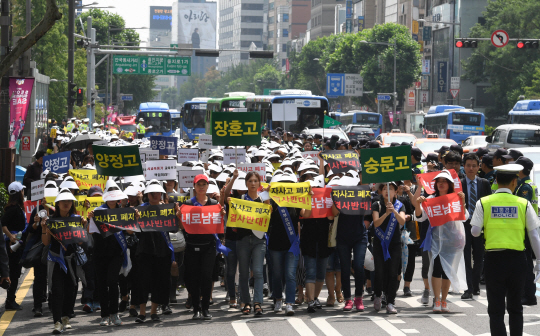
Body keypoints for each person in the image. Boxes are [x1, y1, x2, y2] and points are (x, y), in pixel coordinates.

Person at [470, 163, 540, 336]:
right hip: (517, 260)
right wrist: (539, 261)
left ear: (495, 181)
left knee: (496, 308)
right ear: (514, 182)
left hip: (494, 261)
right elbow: (534, 235)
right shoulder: (523, 203)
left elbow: (475, 232)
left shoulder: (484, 202)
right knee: (515, 306)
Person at [414, 170, 467, 313]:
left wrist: (462, 202)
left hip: (453, 240)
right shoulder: (430, 198)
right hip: (437, 240)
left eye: (444, 181)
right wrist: (419, 205)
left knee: (448, 271)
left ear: (450, 184)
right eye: (439, 181)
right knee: (436, 269)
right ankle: (436, 300)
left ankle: (444, 301)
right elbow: (420, 217)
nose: (441, 183)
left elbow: (464, 216)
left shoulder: (456, 197)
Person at [41, 188, 87, 334]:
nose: (66, 203)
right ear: (58, 203)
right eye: (63, 201)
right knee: (57, 290)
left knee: (71, 289)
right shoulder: (50, 220)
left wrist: (83, 226)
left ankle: (66, 317)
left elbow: (80, 242)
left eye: (69, 201)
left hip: (71, 260)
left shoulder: (76, 219)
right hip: (55, 260)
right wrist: (43, 228)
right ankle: (57, 322)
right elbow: (46, 242)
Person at [179, 174, 225, 320]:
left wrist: (222, 215)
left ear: (207, 186)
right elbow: (182, 227)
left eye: (204, 184)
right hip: (192, 245)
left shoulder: (213, 203)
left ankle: (205, 308)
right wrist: (179, 216)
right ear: (194, 186)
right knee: (194, 278)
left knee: (206, 277)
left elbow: (218, 225)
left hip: (208, 246)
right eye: (199, 184)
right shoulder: (188, 203)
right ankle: (196, 309)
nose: (201, 187)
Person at [222, 170, 268, 316]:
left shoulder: (263, 199)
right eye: (250, 181)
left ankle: (258, 303)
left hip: (259, 240)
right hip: (242, 240)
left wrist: (268, 194)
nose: (253, 183)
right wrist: (234, 178)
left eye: (255, 181)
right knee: (243, 273)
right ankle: (246, 302)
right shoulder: (240, 198)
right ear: (246, 183)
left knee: (258, 272)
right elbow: (225, 196)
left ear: (259, 183)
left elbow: (269, 213)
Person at [87, 180, 128, 326]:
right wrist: (89, 218)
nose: (112, 198)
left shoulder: (123, 211)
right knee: (102, 284)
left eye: (114, 195)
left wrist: (134, 218)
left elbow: (129, 231)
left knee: (113, 281)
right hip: (99, 253)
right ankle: (104, 316)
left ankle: (114, 314)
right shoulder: (97, 211)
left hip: (116, 253)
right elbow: (90, 231)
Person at [135, 180, 174, 323]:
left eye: (158, 192)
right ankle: (142, 313)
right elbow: (134, 231)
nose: (155, 195)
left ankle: (153, 312)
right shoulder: (140, 209)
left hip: (162, 250)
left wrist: (177, 215)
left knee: (160, 281)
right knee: (143, 281)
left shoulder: (167, 209)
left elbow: (175, 228)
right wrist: (137, 220)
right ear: (147, 195)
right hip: (145, 249)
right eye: (152, 193)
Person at [372, 182, 406, 313]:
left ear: (395, 191)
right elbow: (376, 223)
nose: (387, 191)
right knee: (379, 271)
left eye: (390, 189)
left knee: (393, 273)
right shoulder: (377, 204)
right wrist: (386, 213)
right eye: (384, 189)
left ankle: (391, 301)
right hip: (380, 243)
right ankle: (378, 294)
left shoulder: (400, 205)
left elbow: (402, 221)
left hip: (394, 243)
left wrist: (394, 212)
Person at [460, 153, 492, 300]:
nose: (471, 168)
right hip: (464, 224)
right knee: (466, 257)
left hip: (480, 224)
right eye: (468, 165)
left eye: (474, 165)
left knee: (479, 257)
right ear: (464, 167)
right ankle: (469, 288)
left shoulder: (484, 183)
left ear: (479, 167)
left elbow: (489, 204)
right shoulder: (458, 184)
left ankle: (476, 285)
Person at [514, 157, 539, 306]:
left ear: (521, 169)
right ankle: (528, 294)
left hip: (526, 229)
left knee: (526, 264)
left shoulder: (525, 187)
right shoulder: (528, 184)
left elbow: (523, 209)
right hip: (530, 228)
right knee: (526, 263)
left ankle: (529, 295)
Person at [1, 182, 27, 310]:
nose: (23, 192)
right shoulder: (13, 209)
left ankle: (11, 299)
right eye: (22, 190)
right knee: (14, 272)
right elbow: (3, 224)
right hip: (12, 246)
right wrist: (11, 236)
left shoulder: (17, 207)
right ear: (19, 193)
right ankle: (10, 300)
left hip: (16, 245)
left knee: (15, 272)